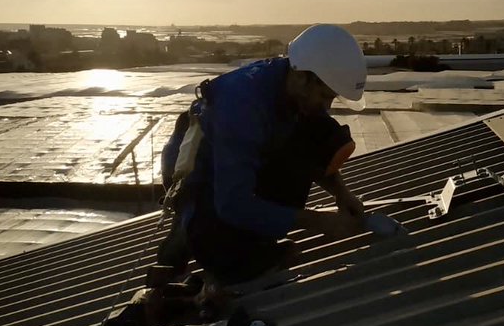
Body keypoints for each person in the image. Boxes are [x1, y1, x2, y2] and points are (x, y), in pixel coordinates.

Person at [153, 24, 368, 300]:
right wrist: (318, 222)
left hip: (246, 153)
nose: (328, 105)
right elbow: (233, 203)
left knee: (322, 131)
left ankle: (259, 234)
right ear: (303, 78)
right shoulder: (242, 106)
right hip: (201, 174)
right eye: (326, 95)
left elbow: (309, 146)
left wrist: (342, 193)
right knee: (229, 253)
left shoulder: (290, 82)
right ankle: (188, 229)